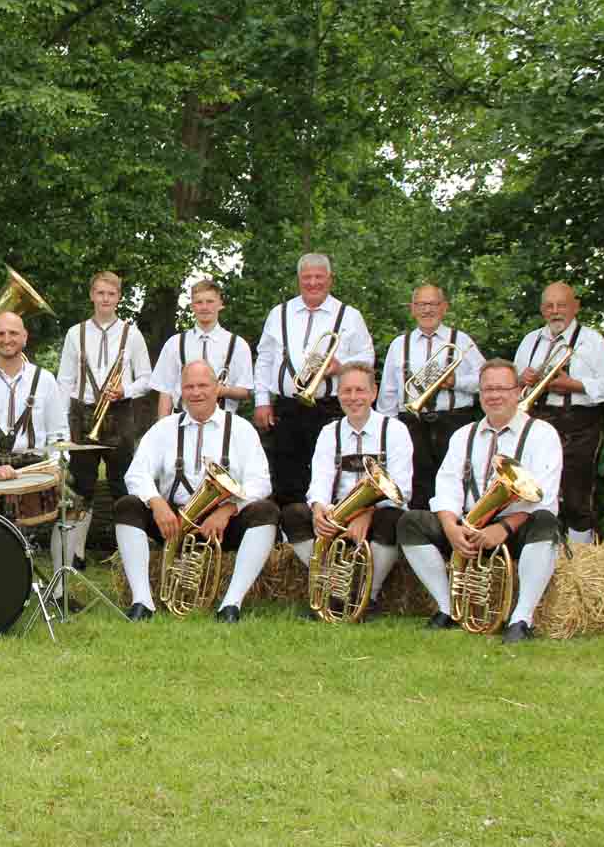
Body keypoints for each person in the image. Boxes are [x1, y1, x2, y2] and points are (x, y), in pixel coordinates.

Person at [395, 360, 564, 644]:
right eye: (488, 389)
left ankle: (522, 619)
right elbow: (447, 486)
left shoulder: (542, 434)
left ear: (519, 391)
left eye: (502, 388)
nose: (494, 395)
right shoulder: (464, 435)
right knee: (410, 522)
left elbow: (545, 497)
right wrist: (451, 527)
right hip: (469, 527)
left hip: (516, 527)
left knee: (546, 521)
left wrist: (504, 529)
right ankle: (449, 608)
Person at [117, 361, 279, 622]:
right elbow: (135, 473)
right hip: (174, 523)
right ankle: (142, 601)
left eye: (203, 385)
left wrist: (229, 509)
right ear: (181, 391)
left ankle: (231, 605)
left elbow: (261, 481)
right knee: (127, 506)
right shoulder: (164, 428)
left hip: (222, 525)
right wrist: (156, 503)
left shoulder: (240, 429)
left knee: (266, 511)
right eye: (189, 386)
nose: (196, 392)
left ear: (217, 389)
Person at [283, 362, 414, 619]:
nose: (353, 398)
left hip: (378, 514)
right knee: (292, 515)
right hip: (337, 514)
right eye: (347, 391)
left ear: (373, 393)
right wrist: (318, 508)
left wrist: (366, 512)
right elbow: (319, 480)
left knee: (395, 520)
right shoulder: (329, 432)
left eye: (360, 391)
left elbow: (403, 490)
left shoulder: (396, 431)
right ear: (338, 394)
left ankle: (366, 597)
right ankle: (332, 590)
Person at [0, 311, 73, 596]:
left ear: (24, 337)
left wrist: (55, 466)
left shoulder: (45, 379)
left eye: (13, 333)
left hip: (33, 463)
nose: (6, 339)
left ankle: (59, 589)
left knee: (71, 508)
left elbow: (59, 432)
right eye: (0, 334)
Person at [253, 253, 374, 508]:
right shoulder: (279, 314)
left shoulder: (349, 315)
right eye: (307, 277)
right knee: (285, 469)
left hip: (329, 406)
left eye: (319, 277)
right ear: (299, 280)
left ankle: (324, 527)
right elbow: (264, 359)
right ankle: (290, 534)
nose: (313, 283)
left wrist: (341, 367)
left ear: (330, 280)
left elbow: (367, 359)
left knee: (328, 469)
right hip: (287, 406)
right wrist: (262, 401)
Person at [56, 271, 153, 570]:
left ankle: (127, 554)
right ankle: (76, 554)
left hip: (120, 416)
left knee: (121, 485)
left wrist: (126, 389)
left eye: (111, 294)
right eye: (100, 293)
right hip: (83, 417)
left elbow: (147, 379)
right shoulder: (76, 333)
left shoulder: (131, 334)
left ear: (119, 297)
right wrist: (61, 425)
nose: (105, 299)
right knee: (80, 486)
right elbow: (65, 380)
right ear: (92, 296)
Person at [513, 281, 604, 543]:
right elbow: (513, 386)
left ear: (575, 307)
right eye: (549, 306)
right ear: (542, 310)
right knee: (535, 492)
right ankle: (541, 550)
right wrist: (521, 377)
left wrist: (574, 385)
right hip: (538, 420)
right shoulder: (531, 340)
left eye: (562, 305)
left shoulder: (591, 340)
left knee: (577, 495)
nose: (555, 311)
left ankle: (579, 564)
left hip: (579, 424)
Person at [376, 283, 484, 510]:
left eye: (433, 304)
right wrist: (388, 433)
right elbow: (388, 395)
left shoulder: (461, 340)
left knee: (455, 485)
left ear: (444, 307)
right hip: (412, 426)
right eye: (421, 305)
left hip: (454, 422)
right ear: (412, 309)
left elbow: (485, 380)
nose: (427, 310)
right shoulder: (399, 345)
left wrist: (456, 382)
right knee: (418, 487)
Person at [150, 279, 254, 418]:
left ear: (220, 304)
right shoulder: (174, 343)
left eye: (210, 301)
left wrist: (221, 391)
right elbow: (165, 390)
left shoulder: (238, 345)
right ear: (192, 306)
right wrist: (161, 429)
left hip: (223, 421)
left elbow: (246, 391)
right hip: (181, 420)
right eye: (199, 302)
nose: (204, 307)